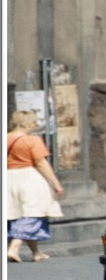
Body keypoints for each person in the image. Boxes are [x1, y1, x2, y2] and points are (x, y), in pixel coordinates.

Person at [6, 110, 64, 263]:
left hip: (8, 177)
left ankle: (36, 252)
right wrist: (55, 184)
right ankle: (14, 248)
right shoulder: (33, 140)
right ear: (28, 123)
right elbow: (41, 163)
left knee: (15, 213)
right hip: (29, 178)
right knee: (33, 213)